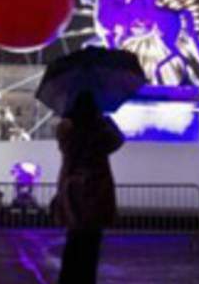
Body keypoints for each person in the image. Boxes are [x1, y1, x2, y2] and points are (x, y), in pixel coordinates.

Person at [53, 91, 125, 284]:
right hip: (96, 192)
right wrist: (106, 120)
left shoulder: (68, 134)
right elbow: (118, 140)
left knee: (74, 242)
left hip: (72, 192)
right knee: (90, 246)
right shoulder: (99, 135)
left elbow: (62, 138)